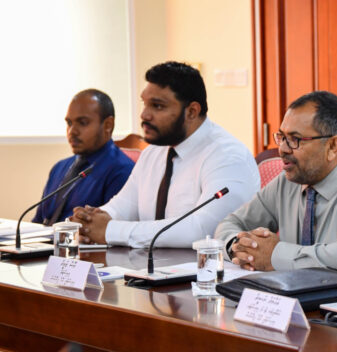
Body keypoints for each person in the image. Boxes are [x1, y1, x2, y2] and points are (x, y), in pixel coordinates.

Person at [214, 91, 337, 277]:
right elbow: (230, 224)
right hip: (297, 298)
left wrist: (277, 255)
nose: (282, 149)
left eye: (295, 139)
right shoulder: (288, 182)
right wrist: (239, 248)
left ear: (333, 146)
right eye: (281, 137)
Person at [72, 61, 260, 248]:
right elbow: (121, 207)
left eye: (157, 106)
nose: (144, 115)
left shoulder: (228, 156)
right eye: (145, 104)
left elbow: (204, 230)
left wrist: (111, 230)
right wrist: (88, 223)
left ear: (192, 112)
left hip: (205, 267)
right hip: (148, 264)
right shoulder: (154, 152)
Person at [33, 89, 133, 225]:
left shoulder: (122, 171)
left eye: (83, 122)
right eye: (69, 123)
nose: (72, 131)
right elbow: (38, 222)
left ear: (108, 125)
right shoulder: (59, 167)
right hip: (46, 238)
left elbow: (109, 230)